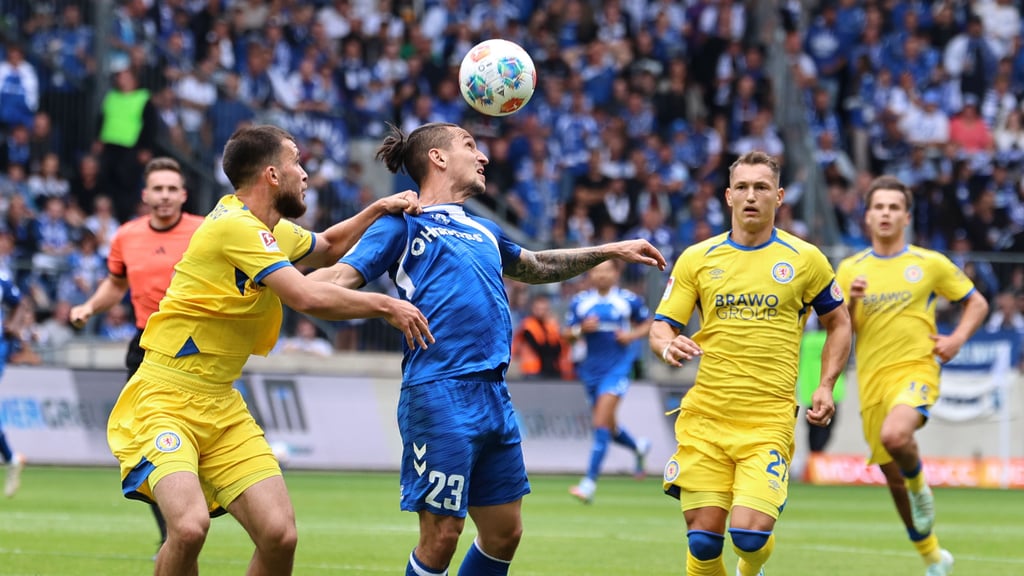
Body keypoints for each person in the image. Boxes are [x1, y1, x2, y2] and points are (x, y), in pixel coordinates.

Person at [309, 122, 666, 576]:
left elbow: (536, 266)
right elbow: (329, 284)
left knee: (504, 533)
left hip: (494, 394)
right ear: (438, 158)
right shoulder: (402, 224)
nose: (484, 157)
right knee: (441, 536)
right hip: (438, 390)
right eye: (470, 146)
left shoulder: (485, 230)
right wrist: (376, 304)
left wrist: (610, 249)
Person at [101, 124, 432, 576]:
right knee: (190, 527)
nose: (306, 173)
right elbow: (307, 297)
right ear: (273, 175)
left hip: (220, 403)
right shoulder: (235, 226)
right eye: (297, 161)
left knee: (279, 536)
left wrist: (377, 207)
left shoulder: (271, 231)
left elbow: (330, 247)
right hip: (162, 399)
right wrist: (386, 305)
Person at [649, 151, 851, 576]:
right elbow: (661, 327)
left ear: (778, 196)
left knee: (749, 536)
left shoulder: (805, 259)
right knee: (703, 542)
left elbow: (839, 323)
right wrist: (668, 346)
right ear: (727, 196)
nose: (751, 196)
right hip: (706, 416)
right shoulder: (698, 258)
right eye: (742, 187)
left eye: (761, 187)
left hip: (767, 419)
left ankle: (750, 568)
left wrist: (825, 384)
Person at [835, 175, 989, 576]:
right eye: (878, 207)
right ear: (867, 217)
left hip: (916, 369)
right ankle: (933, 556)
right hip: (871, 381)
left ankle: (922, 485)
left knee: (896, 436)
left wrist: (956, 338)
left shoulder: (929, 263)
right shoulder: (850, 269)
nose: (886, 214)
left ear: (905, 217)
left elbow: (977, 303)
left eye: (893, 207)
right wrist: (850, 302)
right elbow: (840, 331)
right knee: (893, 479)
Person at [70, 156, 204, 551]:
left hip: (197, 349)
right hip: (145, 347)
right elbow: (115, 284)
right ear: (145, 195)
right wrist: (88, 307)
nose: (163, 196)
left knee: (197, 444)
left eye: (171, 189)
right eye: (157, 189)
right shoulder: (126, 236)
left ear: (183, 194)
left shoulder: (205, 232)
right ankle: (171, 532)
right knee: (153, 446)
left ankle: (193, 516)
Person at [564, 260, 652, 503]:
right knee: (610, 428)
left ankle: (589, 483)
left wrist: (631, 336)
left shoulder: (628, 300)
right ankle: (638, 446)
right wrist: (581, 330)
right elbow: (567, 335)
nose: (602, 275)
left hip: (619, 369)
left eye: (606, 271)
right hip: (591, 371)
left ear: (615, 273)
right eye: (597, 271)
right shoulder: (581, 302)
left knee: (601, 424)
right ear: (591, 274)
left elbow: (648, 323)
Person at [0, 270, 26, 497]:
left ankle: (10, 457)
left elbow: (19, 304)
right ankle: (10, 457)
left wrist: (14, 326)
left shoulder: (3, 279)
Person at [512, 293, 566, 380]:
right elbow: (540, 348)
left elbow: (558, 348)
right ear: (533, 309)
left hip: (552, 369)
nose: (541, 311)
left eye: (544, 309)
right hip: (533, 371)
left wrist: (554, 328)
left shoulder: (551, 326)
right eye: (538, 309)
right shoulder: (528, 326)